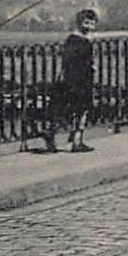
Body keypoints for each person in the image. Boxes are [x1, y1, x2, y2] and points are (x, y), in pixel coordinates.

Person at [44, 8, 98, 153]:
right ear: (80, 23)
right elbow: (69, 61)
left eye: (92, 23)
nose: (89, 26)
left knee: (82, 110)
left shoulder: (85, 40)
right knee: (70, 110)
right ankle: (54, 136)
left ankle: (76, 141)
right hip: (75, 79)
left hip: (85, 79)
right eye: (86, 22)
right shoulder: (74, 40)